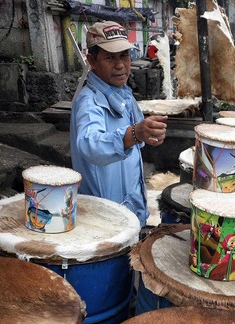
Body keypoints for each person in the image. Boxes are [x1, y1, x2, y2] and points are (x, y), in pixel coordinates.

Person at [70, 21, 168, 228]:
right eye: (110, 57)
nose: (120, 64)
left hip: (130, 208)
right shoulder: (89, 102)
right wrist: (136, 132)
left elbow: (135, 138)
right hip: (106, 219)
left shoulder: (122, 94)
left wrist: (147, 134)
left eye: (124, 55)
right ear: (92, 61)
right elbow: (90, 144)